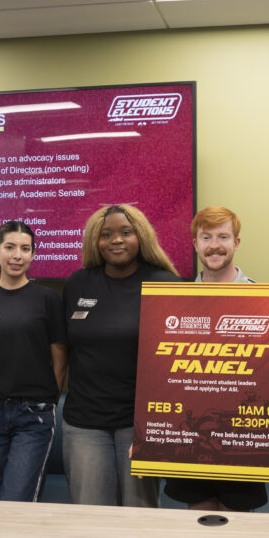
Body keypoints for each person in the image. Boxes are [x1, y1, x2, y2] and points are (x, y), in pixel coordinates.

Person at [59, 204, 179, 507]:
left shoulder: (166, 284)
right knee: (91, 518)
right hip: (85, 423)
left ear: (141, 237)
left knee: (141, 520)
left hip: (140, 425)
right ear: (94, 242)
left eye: (126, 232)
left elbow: (178, 362)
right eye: (107, 234)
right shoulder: (77, 283)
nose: (116, 240)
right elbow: (65, 346)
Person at [163, 206, 267, 511]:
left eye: (223, 236)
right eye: (206, 237)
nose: (214, 245)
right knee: (198, 530)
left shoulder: (264, 301)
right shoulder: (173, 303)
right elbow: (163, 374)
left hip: (242, 438)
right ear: (195, 244)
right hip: (192, 437)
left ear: (236, 242)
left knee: (236, 534)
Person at [0, 220, 65, 501]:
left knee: (16, 498)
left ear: (33, 254)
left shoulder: (46, 299)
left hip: (34, 412)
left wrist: (51, 397)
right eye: (9, 247)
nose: (17, 255)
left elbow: (59, 353)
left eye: (25, 248)